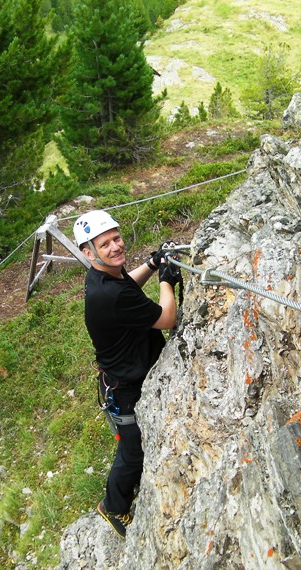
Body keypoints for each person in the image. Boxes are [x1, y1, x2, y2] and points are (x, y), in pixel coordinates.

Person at [73, 210, 181, 538]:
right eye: (105, 244)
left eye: (117, 238)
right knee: (133, 453)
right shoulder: (110, 294)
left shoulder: (106, 278)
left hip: (127, 378)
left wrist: (151, 264)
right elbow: (166, 318)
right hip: (126, 389)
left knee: (135, 448)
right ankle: (113, 506)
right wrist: (166, 279)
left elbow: (128, 283)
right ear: (89, 253)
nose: (116, 246)